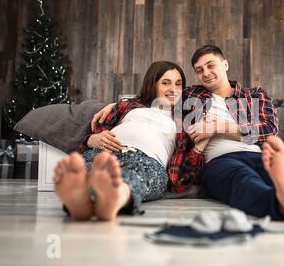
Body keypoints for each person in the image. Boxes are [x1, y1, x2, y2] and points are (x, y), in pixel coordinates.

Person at [94, 45, 284, 222]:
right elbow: (155, 97)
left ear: (224, 64)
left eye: (211, 65)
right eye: (199, 70)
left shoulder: (253, 96)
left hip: (257, 153)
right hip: (218, 161)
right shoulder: (191, 96)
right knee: (242, 182)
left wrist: (218, 127)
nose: (205, 73)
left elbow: (268, 129)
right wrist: (116, 105)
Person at [53, 61, 209, 221]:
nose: (173, 89)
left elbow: (184, 175)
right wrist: (93, 139)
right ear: (152, 84)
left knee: (134, 178)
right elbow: (99, 130)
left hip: (147, 160)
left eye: (178, 84)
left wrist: (201, 145)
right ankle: (84, 196)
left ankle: (112, 198)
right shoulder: (128, 106)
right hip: (106, 151)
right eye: (165, 83)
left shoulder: (185, 119)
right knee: (90, 165)